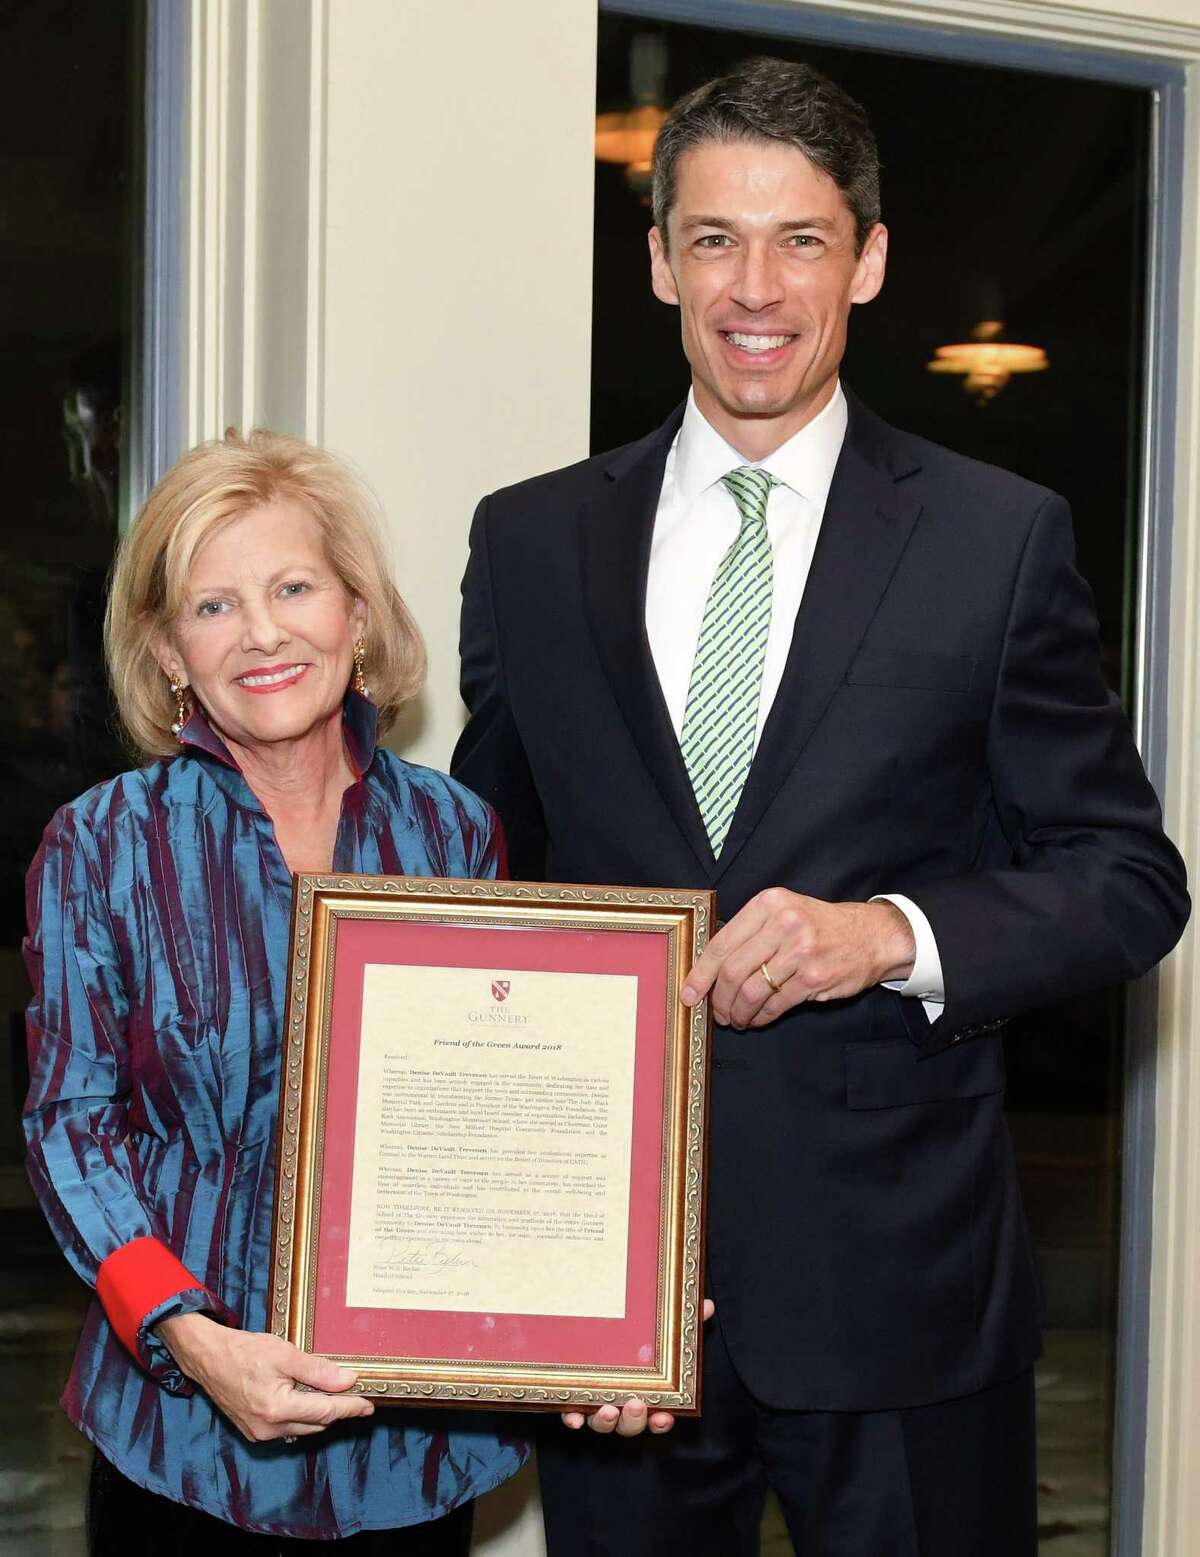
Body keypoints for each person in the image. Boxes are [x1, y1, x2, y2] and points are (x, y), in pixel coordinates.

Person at [451, 56, 1190, 1557]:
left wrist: (887, 934)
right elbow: (492, 876)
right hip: (617, 1307)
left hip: (901, 1302)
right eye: (714, 237)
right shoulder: (532, 542)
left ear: (870, 258)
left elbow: (1127, 879)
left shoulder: (995, 540)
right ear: (659, 260)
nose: (755, 285)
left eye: (800, 237)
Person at [23, 430, 527, 1552]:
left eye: (294, 587)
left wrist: (590, 1310)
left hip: (409, 1438)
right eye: (212, 606)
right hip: (181, 1437)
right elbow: (70, 1125)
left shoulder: (453, 832)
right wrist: (188, 1332)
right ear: (165, 652)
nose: (261, 632)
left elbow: (498, 1118)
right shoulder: (101, 846)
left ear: (356, 615)